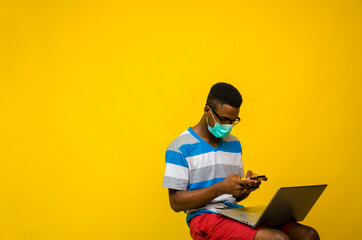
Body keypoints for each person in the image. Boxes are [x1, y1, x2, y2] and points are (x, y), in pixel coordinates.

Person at [162, 82, 320, 240]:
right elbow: (176, 203)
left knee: (308, 235)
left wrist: (245, 188)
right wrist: (220, 188)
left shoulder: (233, 143)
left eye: (233, 121)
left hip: (234, 212)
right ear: (207, 110)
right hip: (204, 219)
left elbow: (232, 196)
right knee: (277, 239)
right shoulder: (180, 147)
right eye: (224, 120)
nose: (228, 126)